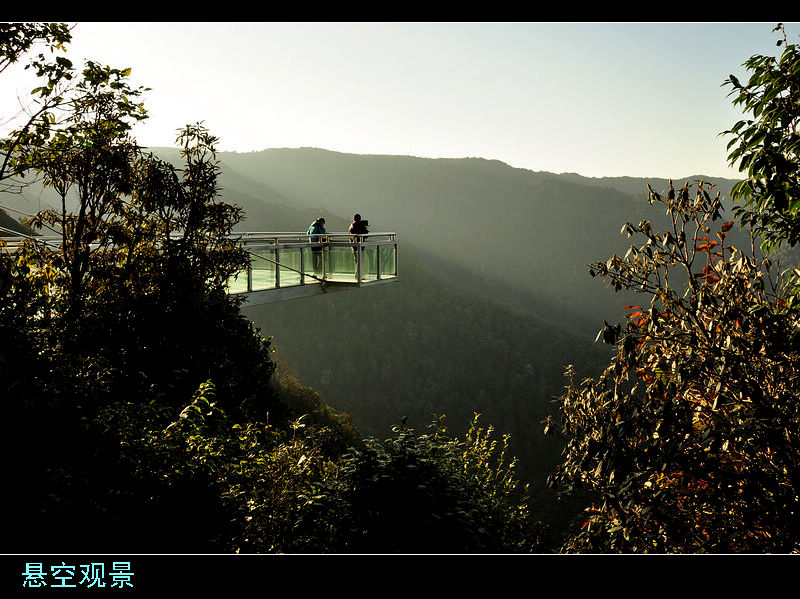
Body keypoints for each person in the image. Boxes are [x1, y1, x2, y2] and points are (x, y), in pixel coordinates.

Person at [348, 213, 369, 278]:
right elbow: (366, 234)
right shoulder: (359, 225)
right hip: (360, 246)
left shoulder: (352, 225)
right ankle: (359, 275)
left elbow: (350, 234)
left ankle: (357, 274)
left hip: (354, 245)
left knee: (356, 260)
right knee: (361, 261)